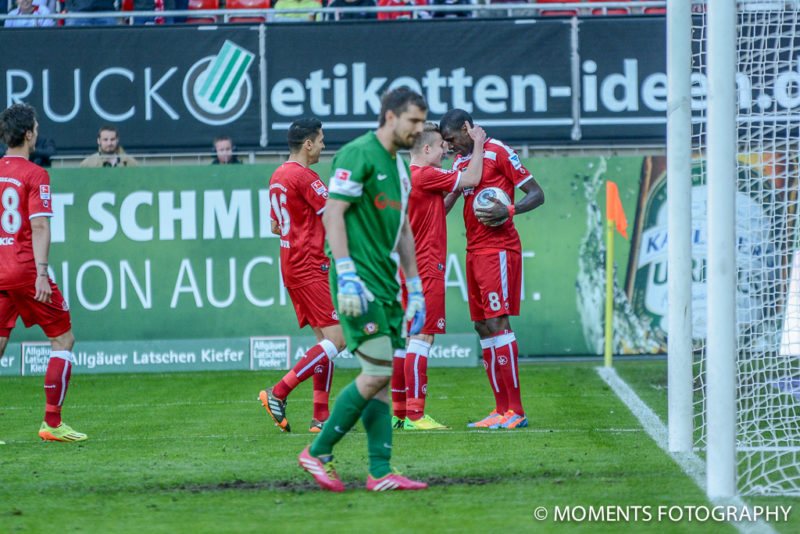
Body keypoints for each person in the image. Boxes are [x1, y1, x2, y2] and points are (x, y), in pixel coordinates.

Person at [298, 86, 428, 492]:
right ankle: (317, 452)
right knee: (378, 372)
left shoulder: (400, 167)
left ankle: (380, 471)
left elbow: (404, 228)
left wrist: (416, 285)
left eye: (423, 122)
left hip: (387, 286)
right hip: (361, 285)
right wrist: (347, 272)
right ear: (390, 117)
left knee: (383, 378)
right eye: (414, 121)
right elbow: (333, 213)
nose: (419, 130)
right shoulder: (357, 153)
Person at [439, 108, 544, 430]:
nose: (450, 145)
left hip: (499, 249)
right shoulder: (461, 164)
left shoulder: (499, 152)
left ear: (467, 129)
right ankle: (500, 410)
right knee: (482, 327)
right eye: (444, 141)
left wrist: (508, 209)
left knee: (498, 322)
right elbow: (444, 207)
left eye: (452, 138)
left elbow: (537, 195)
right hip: (473, 251)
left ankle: (517, 411)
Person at [391, 121, 485, 431]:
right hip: (426, 265)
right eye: (442, 148)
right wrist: (479, 143)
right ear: (427, 149)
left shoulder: (407, 176)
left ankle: (400, 412)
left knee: (407, 340)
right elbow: (473, 176)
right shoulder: (426, 174)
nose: (446, 151)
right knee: (423, 336)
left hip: (407, 265)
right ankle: (417, 415)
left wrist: (454, 191)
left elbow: (435, 211)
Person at [0, 103, 87, 443]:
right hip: (23, 269)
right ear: (28, 134)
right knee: (63, 339)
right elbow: (38, 226)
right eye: (35, 128)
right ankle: (52, 422)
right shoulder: (35, 174)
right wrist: (41, 273)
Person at [259, 118, 345, 433]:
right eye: (321, 139)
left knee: (324, 341)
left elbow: (274, 226)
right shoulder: (306, 177)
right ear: (308, 144)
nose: (324, 145)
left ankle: (320, 418)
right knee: (339, 339)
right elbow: (334, 214)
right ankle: (278, 392)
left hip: (292, 263)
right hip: (309, 265)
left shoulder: (278, 174)